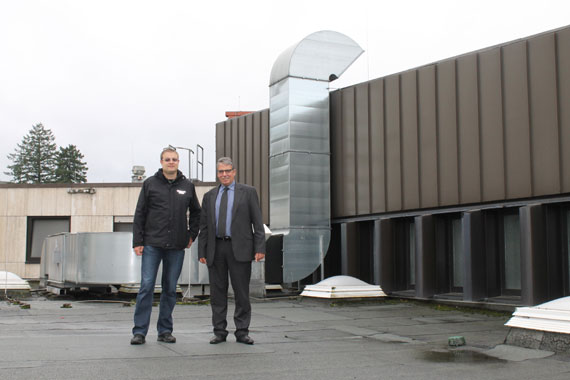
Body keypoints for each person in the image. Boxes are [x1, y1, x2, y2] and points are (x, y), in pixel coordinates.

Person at [130, 147, 201, 345]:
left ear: (178, 162)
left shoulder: (187, 186)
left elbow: (197, 212)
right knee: (146, 287)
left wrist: (191, 235)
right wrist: (138, 241)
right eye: (167, 159)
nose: (171, 162)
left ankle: (165, 330)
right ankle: (139, 332)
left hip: (176, 246)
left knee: (170, 289)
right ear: (161, 162)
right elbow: (140, 213)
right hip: (152, 244)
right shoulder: (150, 184)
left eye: (175, 159)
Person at [198, 157, 266, 345]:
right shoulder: (209, 196)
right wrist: (201, 251)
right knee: (217, 293)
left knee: (241, 293)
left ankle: (242, 331)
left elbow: (257, 222)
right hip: (216, 249)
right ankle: (219, 332)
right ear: (217, 173)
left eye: (228, 171)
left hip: (240, 249)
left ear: (234, 172)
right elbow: (204, 227)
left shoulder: (249, 193)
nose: (225, 174)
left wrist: (260, 247)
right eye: (221, 171)